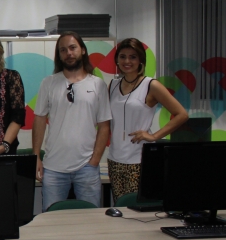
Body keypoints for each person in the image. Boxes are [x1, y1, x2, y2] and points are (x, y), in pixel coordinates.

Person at [33, 32, 111, 211]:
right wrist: (36, 156)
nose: (68, 53)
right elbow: (39, 119)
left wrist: (94, 161)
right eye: (63, 50)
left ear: (82, 50)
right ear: (59, 55)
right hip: (53, 168)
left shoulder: (97, 84)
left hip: (87, 168)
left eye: (72, 47)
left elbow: (104, 126)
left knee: (90, 220)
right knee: (52, 219)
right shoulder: (48, 83)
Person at [107, 38, 188, 203]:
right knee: (120, 207)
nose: (127, 61)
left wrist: (154, 136)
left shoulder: (150, 85)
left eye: (133, 57)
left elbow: (181, 114)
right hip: (115, 159)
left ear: (141, 60)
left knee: (137, 208)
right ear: (117, 60)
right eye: (122, 56)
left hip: (138, 159)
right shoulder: (113, 85)